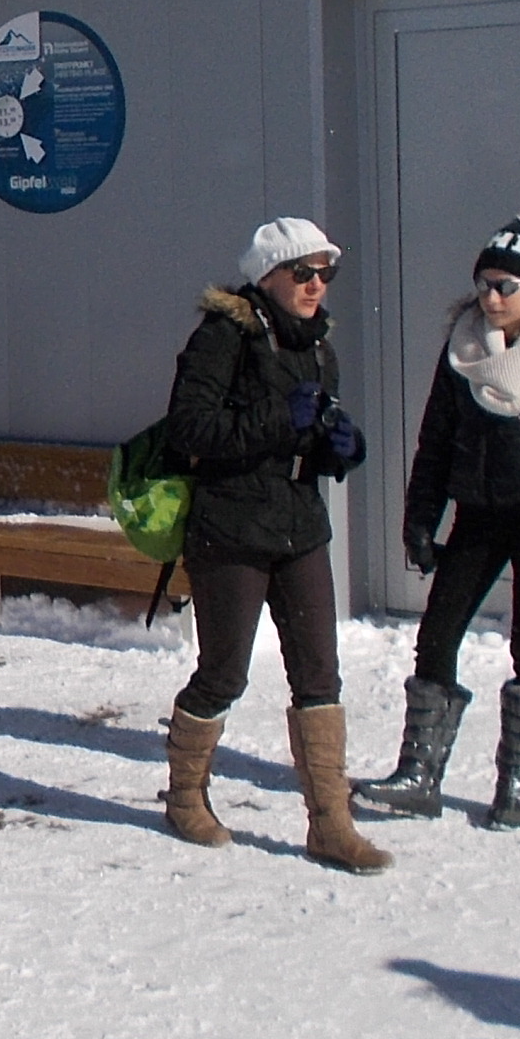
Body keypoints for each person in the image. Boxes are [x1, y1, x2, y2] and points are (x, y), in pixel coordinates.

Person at [156, 217, 389, 874]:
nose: (317, 285)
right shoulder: (222, 337)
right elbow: (190, 429)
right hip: (231, 525)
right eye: (303, 272)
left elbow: (318, 425)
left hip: (299, 521)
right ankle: (184, 796)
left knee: (320, 672)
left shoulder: (318, 344)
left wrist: (342, 445)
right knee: (224, 672)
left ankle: (331, 823)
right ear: (268, 277)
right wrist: (273, 420)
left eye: (326, 274)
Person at [367, 210, 520, 832]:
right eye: (485, 285)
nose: (493, 298)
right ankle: (420, 774)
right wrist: (420, 521)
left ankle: (517, 785)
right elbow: (435, 442)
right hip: (478, 515)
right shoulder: (462, 351)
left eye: (508, 287)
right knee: (437, 633)